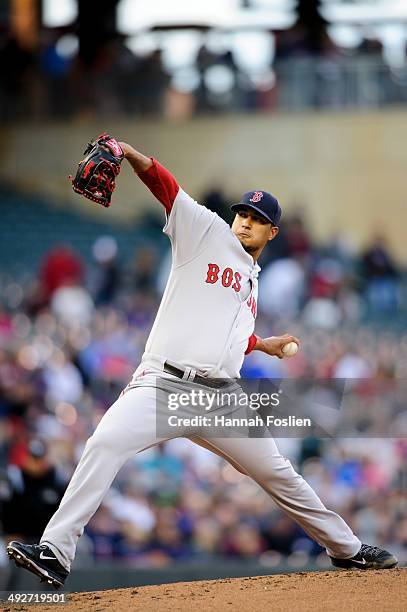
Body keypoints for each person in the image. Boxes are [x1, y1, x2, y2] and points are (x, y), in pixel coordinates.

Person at [7, 141, 398, 589]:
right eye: (243, 215)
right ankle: (56, 552)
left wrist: (261, 343)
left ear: (273, 233)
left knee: (278, 474)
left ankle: (347, 551)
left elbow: (225, 333)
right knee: (105, 444)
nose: (245, 222)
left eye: (258, 220)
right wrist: (129, 153)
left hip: (220, 398)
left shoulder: (252, 280)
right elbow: (166, 186)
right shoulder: (207, 232)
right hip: (164, 385)